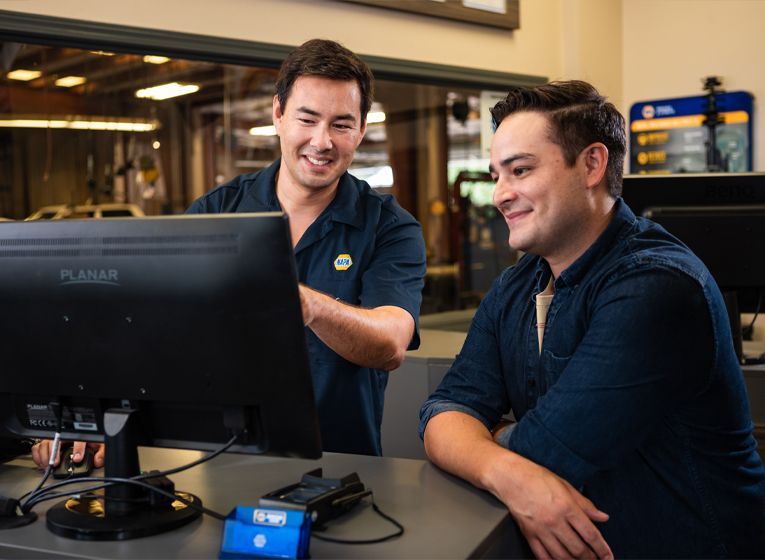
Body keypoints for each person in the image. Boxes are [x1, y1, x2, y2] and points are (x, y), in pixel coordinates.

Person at [32, 39, 425, 468]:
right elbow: (152, 330)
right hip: (218, 463)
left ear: (362, 129)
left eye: (341, 125)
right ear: (278, 114)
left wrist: (308, 306)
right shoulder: (216, 212)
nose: (322, 140)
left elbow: (390, 346)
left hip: (344, 466)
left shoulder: (390, 227)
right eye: (307, 119)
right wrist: (91, 421)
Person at [419, 80, 765, 558]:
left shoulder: (658, 286)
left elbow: (542, 450)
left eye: (519, 170)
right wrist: (503, 461)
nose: (500, 195)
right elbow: (442, 413)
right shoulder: (516, 286)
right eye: (496, 174)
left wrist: (490, 435)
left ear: (592, 164)